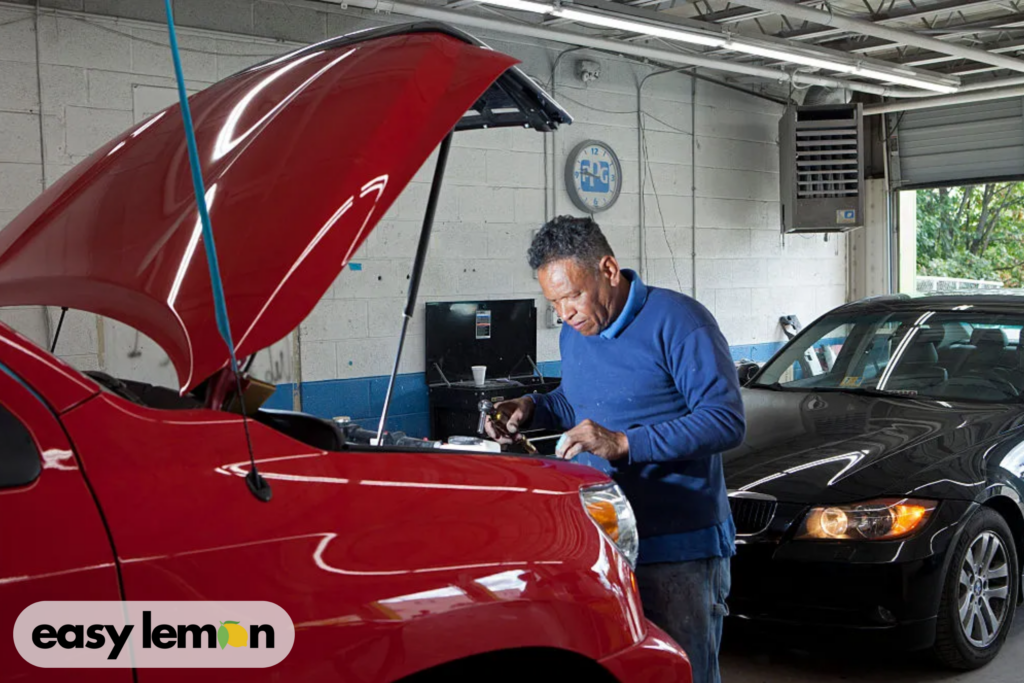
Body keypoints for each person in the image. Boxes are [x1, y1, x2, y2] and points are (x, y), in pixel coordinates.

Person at [486, 215, 745, 683]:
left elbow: (725, 420)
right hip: (603, 543)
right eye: (554, 302)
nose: (565, 313)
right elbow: (576, 400)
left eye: (572, 295)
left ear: (608, 269)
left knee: (684, 671)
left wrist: (624, 443)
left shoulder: (680, 322)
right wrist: (530, 407)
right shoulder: (576, 332)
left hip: (678, 545)